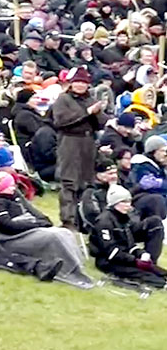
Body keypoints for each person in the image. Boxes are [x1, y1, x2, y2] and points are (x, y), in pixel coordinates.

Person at [50, 66, 102, 229]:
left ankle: (83, 218)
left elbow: (99, 122)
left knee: (86, 181)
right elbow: (61, 121)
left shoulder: (90, 99)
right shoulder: (63, 99)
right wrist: (87, 112)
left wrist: (98, 114)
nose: (80, 85)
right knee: (69, 181)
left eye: (83, 82)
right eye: (77, 82)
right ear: (71, 84)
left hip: (88, 142)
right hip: (70, 141)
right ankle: (68, 219)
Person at [88, 184, 167, 288]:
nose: (128, 205)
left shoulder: (124, 219)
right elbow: (111, 252)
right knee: (149, 276)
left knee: (160, 271)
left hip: (124, 258)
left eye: (129, 201)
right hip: (108, 262)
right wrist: (135, 261)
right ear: (114, 203)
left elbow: (129, 244)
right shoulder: (104, 221)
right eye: (123, 202)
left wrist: (141, 254)